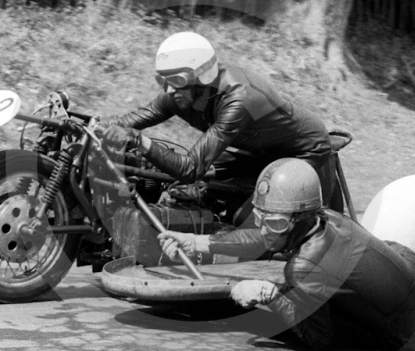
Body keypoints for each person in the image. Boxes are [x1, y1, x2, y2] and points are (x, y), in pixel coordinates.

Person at [157, 158, 415, 351]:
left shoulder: (303, 265)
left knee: (272, 312)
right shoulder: (326, 216)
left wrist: (269, 294)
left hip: (394, 332)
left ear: (300, 218)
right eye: (259, 218)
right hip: (413, 271)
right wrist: (197, 242)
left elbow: (319, 340)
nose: (265, 230)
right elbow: (261, 238)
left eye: (275, 223)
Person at [100, 32, 339, 220]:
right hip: (254, 151)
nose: (169, 89)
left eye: (178, 80)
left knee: (245, 219)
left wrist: (140, 140)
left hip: (302, 153)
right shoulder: (178, 94)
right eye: (163, 80)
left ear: (202, 77)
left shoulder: (239, 99)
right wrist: (93, 124)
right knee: (183, 188)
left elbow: (189, 168)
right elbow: (130, 121)